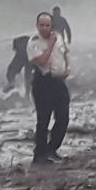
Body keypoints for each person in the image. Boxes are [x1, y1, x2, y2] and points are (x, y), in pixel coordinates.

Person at [27, 11, 71, 164]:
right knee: (43, 119)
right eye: (41, 25)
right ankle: (40, 154)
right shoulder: (34, 41)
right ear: (37, 26)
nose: (44, 28)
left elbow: (65, 52)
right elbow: (42, 60)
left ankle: (52, 149)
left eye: (47, 25)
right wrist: (50, 44)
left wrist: (67, 68)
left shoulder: (58, 37)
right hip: (43, 82)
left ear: (51, 25)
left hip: (58, 82)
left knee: (63, 117)